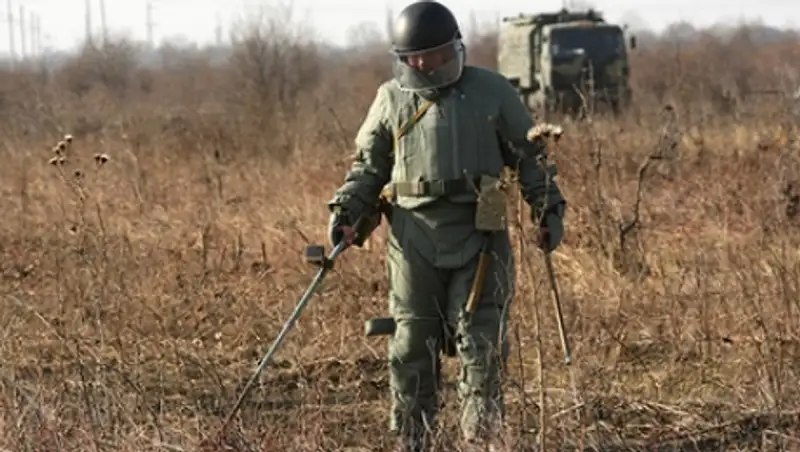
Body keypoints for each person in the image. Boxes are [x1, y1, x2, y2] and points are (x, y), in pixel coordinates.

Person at [326, 1, 567, 450]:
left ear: (453, 49)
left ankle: (482, 439)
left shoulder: (493, 92)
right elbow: (367, 168)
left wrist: (548, 209)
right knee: (410, 343)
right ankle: (414, 439)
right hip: (413, 239)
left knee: (482, 344)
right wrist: (346, 214)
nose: (422, 64)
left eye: (431, 54)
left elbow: (531, 158)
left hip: (481, 236)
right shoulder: (390, 100)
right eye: (413, 57)